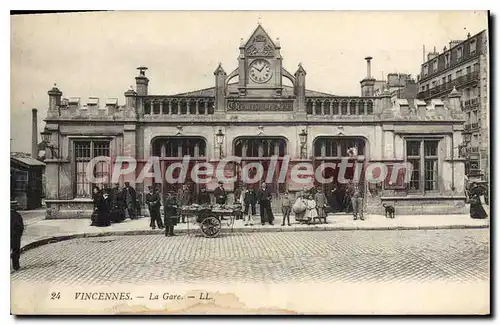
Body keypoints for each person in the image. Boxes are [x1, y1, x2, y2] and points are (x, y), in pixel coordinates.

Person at [11, 202, 24, 271]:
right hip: (15, 236)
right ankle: (16, 266)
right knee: (15, 250)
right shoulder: (17, 215)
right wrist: (19, 234)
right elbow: (20, 226)